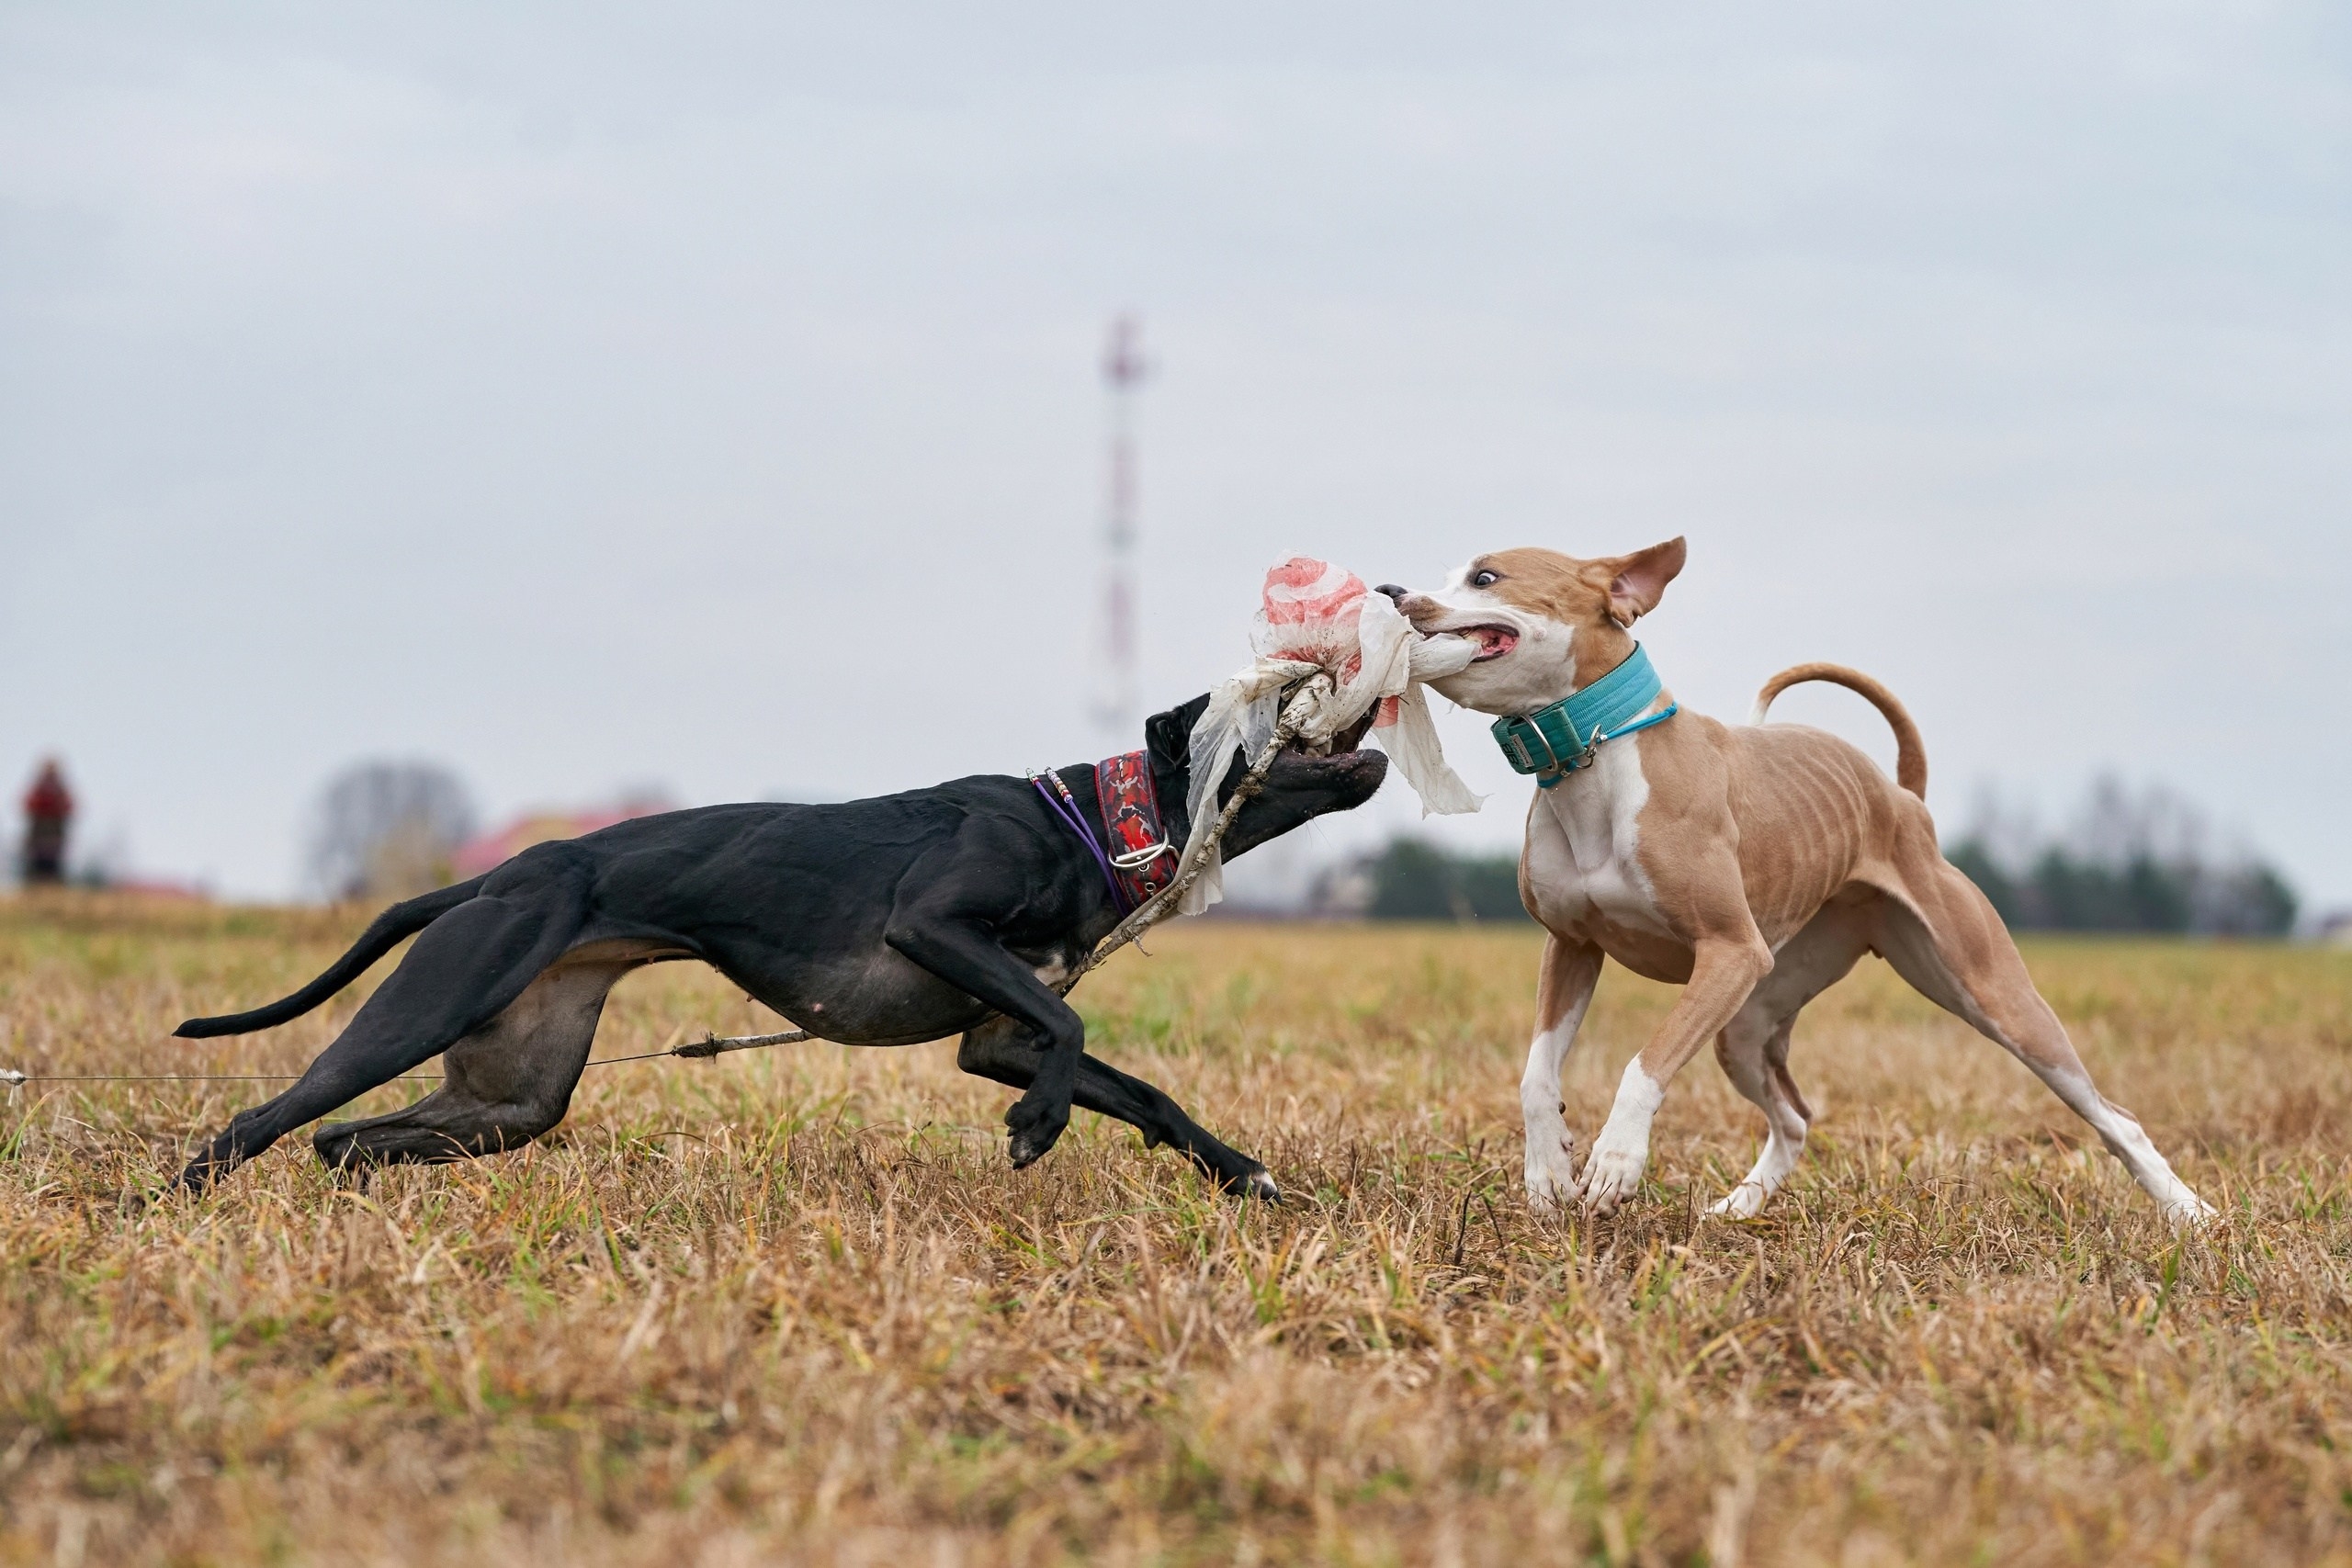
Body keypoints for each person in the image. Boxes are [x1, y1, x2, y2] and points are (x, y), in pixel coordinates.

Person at [20, 759, 73, 886]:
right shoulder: (39, 789)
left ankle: (52, 890)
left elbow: (68, 807)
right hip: (39, 836)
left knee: (53, 867)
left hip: (54, 836)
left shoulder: (60, 790)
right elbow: (28, 805)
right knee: (37, 865)